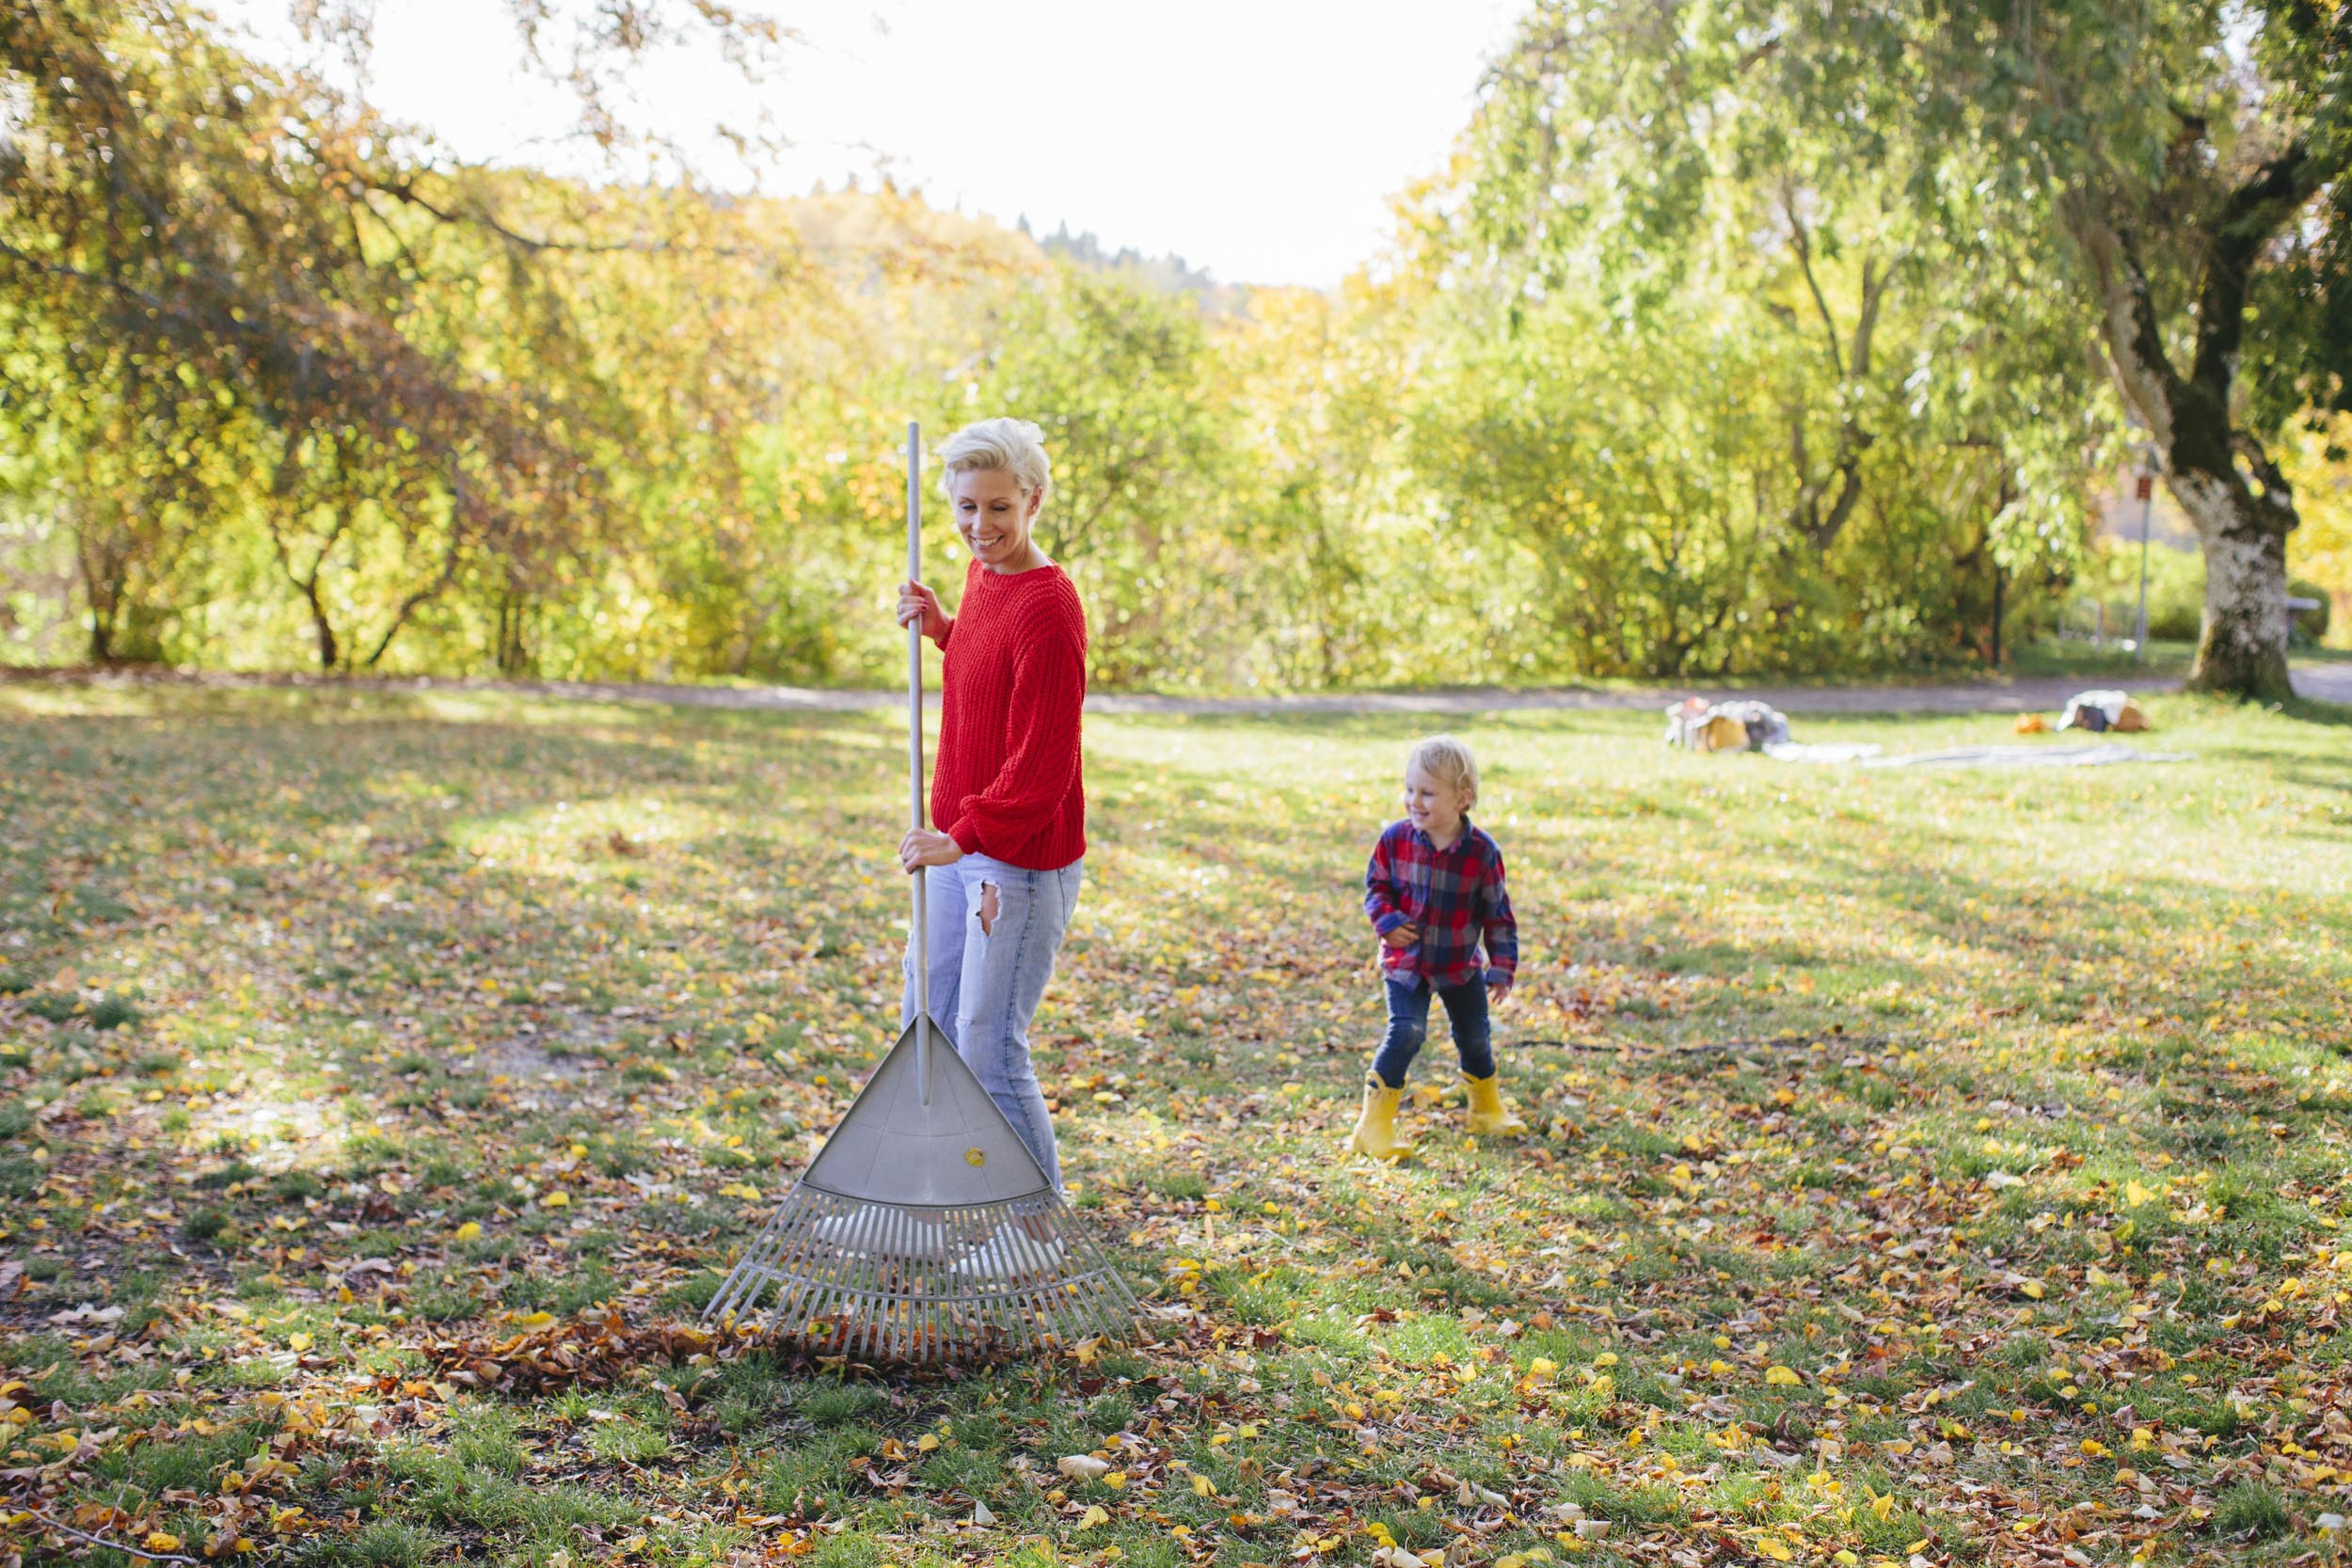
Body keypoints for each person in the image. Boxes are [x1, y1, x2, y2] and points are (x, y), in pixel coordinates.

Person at [895, 417, 1089, 1276]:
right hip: (957, 843)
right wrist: (941, 625)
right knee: (925, 1025)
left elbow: (1040, 767)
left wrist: (961, 839)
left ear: (1035, 499)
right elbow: (985, 667)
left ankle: (1036, 1230)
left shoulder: (1052, 606)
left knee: (986, 1041)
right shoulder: (983, 576)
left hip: (1017, 855)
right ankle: (924, 1204)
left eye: (1000, 507)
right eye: (967, 507)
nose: (982, 525)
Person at [1350, 735, 1523, 1159]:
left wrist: (1501, 967)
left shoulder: (1482, 852)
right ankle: (1372, 1126)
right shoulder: (1395, 839)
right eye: (1410, 789)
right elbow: (1376, 888)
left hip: (1459, 964)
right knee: (1407, 1031)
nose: (1415, 801)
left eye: (1427, 793)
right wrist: (1386, 922)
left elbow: (1497, 913)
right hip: (1405, 962)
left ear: (1462, 799)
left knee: (1475, 1037)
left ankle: (1485, 1108)